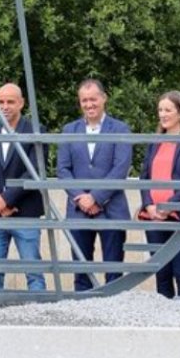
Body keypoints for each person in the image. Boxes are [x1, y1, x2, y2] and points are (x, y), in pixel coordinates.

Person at [56, 79, 132, 291]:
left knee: (114, 272)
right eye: (84, 100)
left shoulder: (120, 129)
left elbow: (121, 168)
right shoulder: (69, 130)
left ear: (104, 98)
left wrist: (96, 197)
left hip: (112, 209)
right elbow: (62, 170)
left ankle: (114, 316)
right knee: (81, 272)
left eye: (93, 99)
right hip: (78, 210)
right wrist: (82, 198)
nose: (89, 104)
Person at [0, 83, 46, 291]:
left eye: (10, 101)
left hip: (26, 213)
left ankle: (41, 317)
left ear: (21, 103)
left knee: (34, 273)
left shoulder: (36, 132)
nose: (5, 106)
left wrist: (7, 199)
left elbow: (34, 171)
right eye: (1, 101)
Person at [137, 91, 180, 299]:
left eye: (168, 110)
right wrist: (149, 204)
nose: (163, 114)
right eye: (160, 110)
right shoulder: (155, 141)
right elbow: (144, 178)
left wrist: (167, 206)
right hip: (153, 218)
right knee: (162, 273)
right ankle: (166, 324)